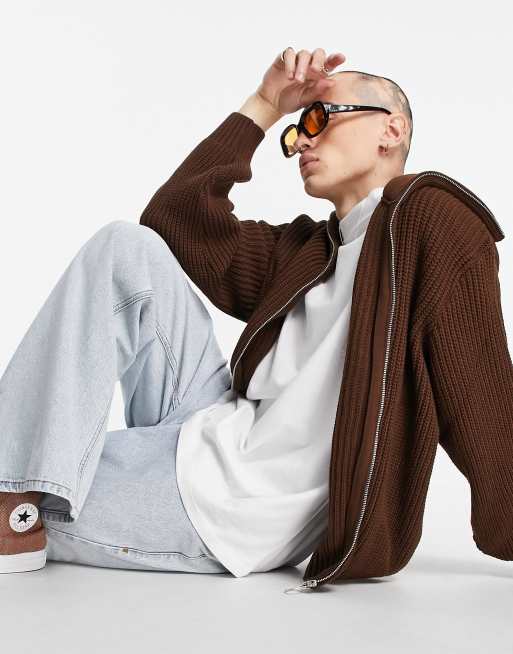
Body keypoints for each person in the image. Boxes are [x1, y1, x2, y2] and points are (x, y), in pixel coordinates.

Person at [1, 48, 512, 595]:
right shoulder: (309, 250)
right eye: (296, 130)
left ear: (392, 129)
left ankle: (13, 508)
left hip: (241, 503)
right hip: (210, 431)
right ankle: (12, 491)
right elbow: (174, 219)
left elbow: (479, 392)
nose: (302, 142)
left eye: (319, 118)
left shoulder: (432, 220)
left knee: (37, 472)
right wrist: (265, 105)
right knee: (125, 247)